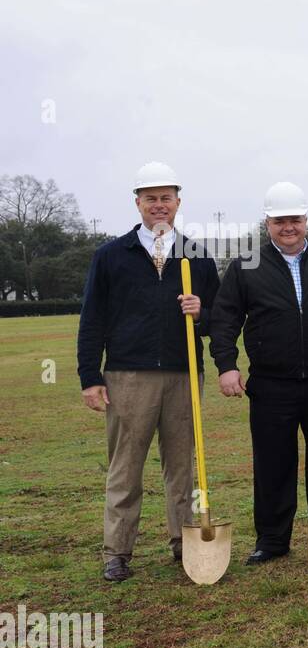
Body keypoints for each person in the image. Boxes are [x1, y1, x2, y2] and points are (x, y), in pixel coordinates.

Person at [209, 181, 308, 565]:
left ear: (306, 221)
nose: (288, 227)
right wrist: (227, 366)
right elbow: (225, 317)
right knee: (272, 463)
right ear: (268, 223)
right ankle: (273, 539)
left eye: (295, 220)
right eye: (280, 221)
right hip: (270, 384)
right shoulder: (247, 264)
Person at [77, 162, 219, 582]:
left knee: (182, 467)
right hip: (128, 376)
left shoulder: (197, 256)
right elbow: (92, 320)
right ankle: (117, 551)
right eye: (150, 198)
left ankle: (184, 542)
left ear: (178, 202)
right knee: (125, 467)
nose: (159, 205)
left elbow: (219, 320)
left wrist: (202, 312)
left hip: (183, 374)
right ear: (137, 202)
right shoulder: (110, 256)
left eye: (166, 198)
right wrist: (90, 376)